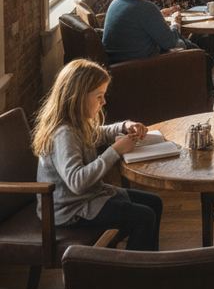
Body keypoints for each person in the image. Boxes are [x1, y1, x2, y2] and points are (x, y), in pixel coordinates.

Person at [32, 59, 163, 251]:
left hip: (88, 197)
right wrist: (115, 151)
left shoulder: (77, 123)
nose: (104, 102)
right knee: (144, 217)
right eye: (99, 96)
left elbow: (98, 134)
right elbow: (77, 182)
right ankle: (136, 273)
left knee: (154, 203)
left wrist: (124, 126)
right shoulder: (64, 134)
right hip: (70, 210)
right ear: (78, 97)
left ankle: (147, 264)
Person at [102, 0, 184, 64]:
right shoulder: (147, 8)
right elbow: (170, 42)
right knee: (187, 45)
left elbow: (136, 21)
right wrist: (175, 23)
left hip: (117, 64)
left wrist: (158, 14)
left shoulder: (116, 3)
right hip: (141, 68)